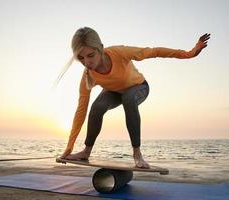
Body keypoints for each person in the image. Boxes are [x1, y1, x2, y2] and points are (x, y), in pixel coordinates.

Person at [56, 27, 210, 168]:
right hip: (115, 93)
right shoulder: (88, 76)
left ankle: (137, 154)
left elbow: (154, 52)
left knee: (129, 99)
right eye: (80, 58)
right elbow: (80, 111)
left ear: (101, 49)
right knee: (97, 107)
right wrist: (69, 147)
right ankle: (86, 152)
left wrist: (190, 53)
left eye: (90, 55)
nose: (87, 62)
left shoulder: (119, 53)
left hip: (139, 87)